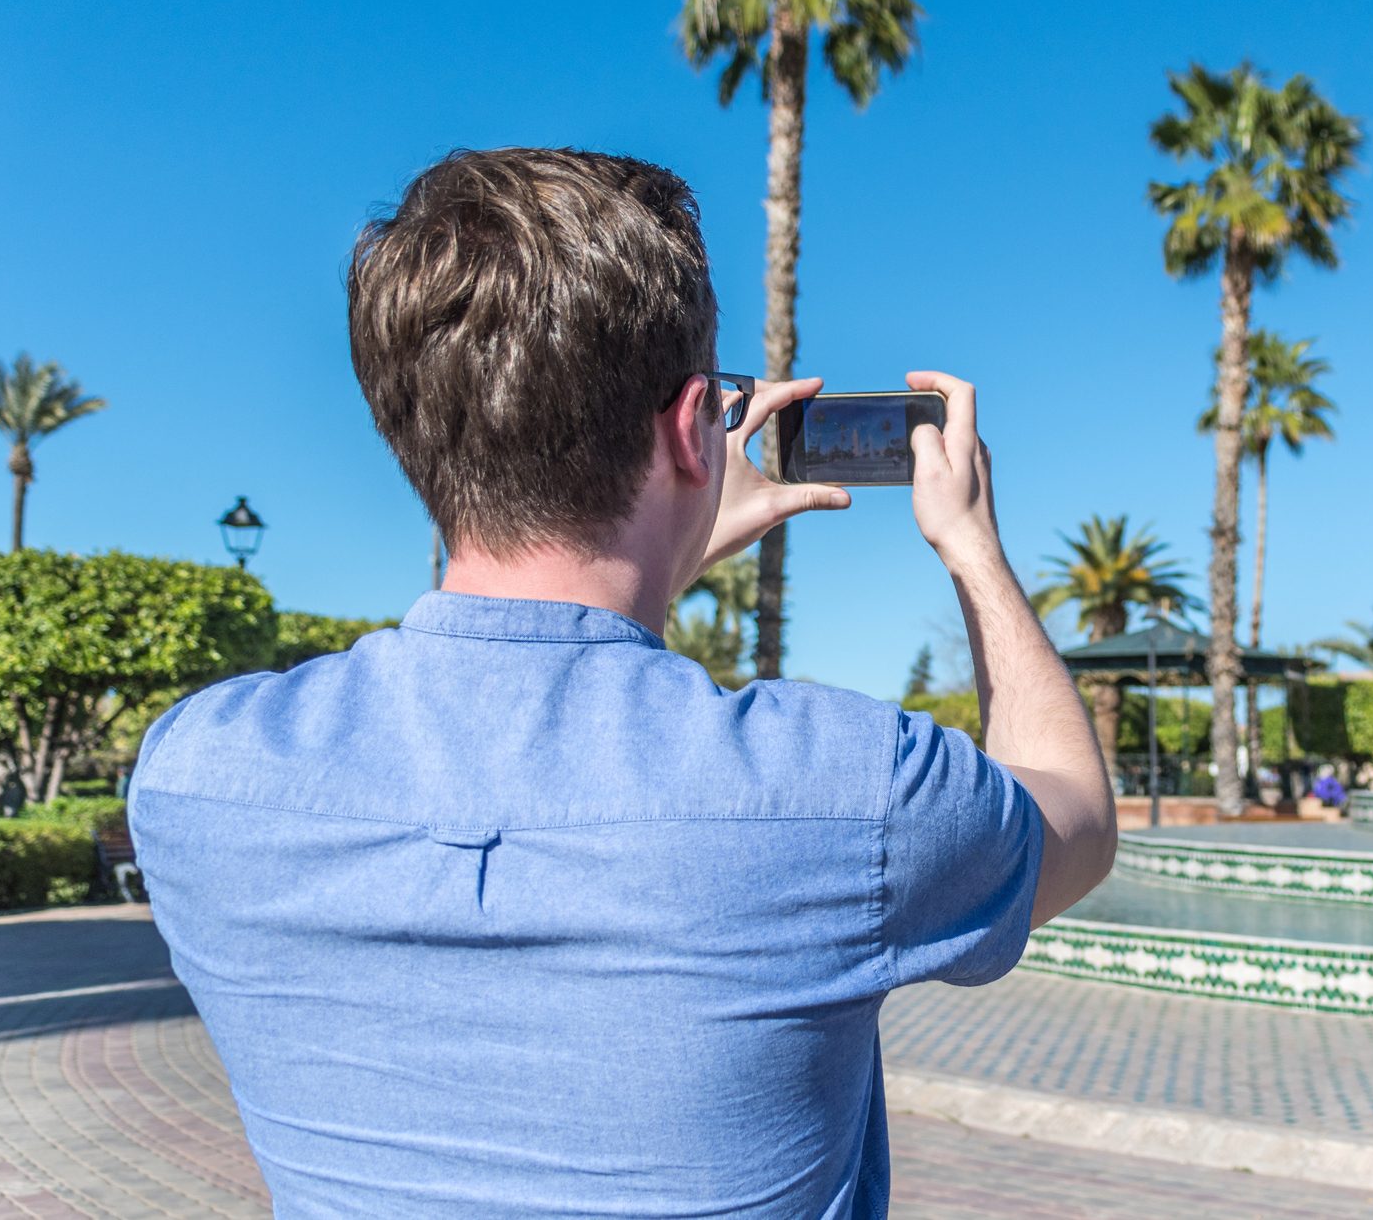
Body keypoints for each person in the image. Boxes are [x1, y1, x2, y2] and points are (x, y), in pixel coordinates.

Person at [128, 148, 1117, 1218]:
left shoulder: (198, 777)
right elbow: (1074, 806)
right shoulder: (849, 787)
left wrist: (667, 533)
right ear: (696, 425)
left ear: (405, 424)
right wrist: (971, 545)